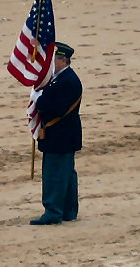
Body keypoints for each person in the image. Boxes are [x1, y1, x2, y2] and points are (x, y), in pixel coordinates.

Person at [29, 41, 83, 225]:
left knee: (55, 174)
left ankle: (53, 212)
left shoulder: (67, 81)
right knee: (66, 174)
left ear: (63, 60)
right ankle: (68, 211)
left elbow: (55, 108)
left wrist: (38, 100)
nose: (51, 63)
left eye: (54, 59)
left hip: (60, 136)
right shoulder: (61, 78)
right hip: (64, 135)